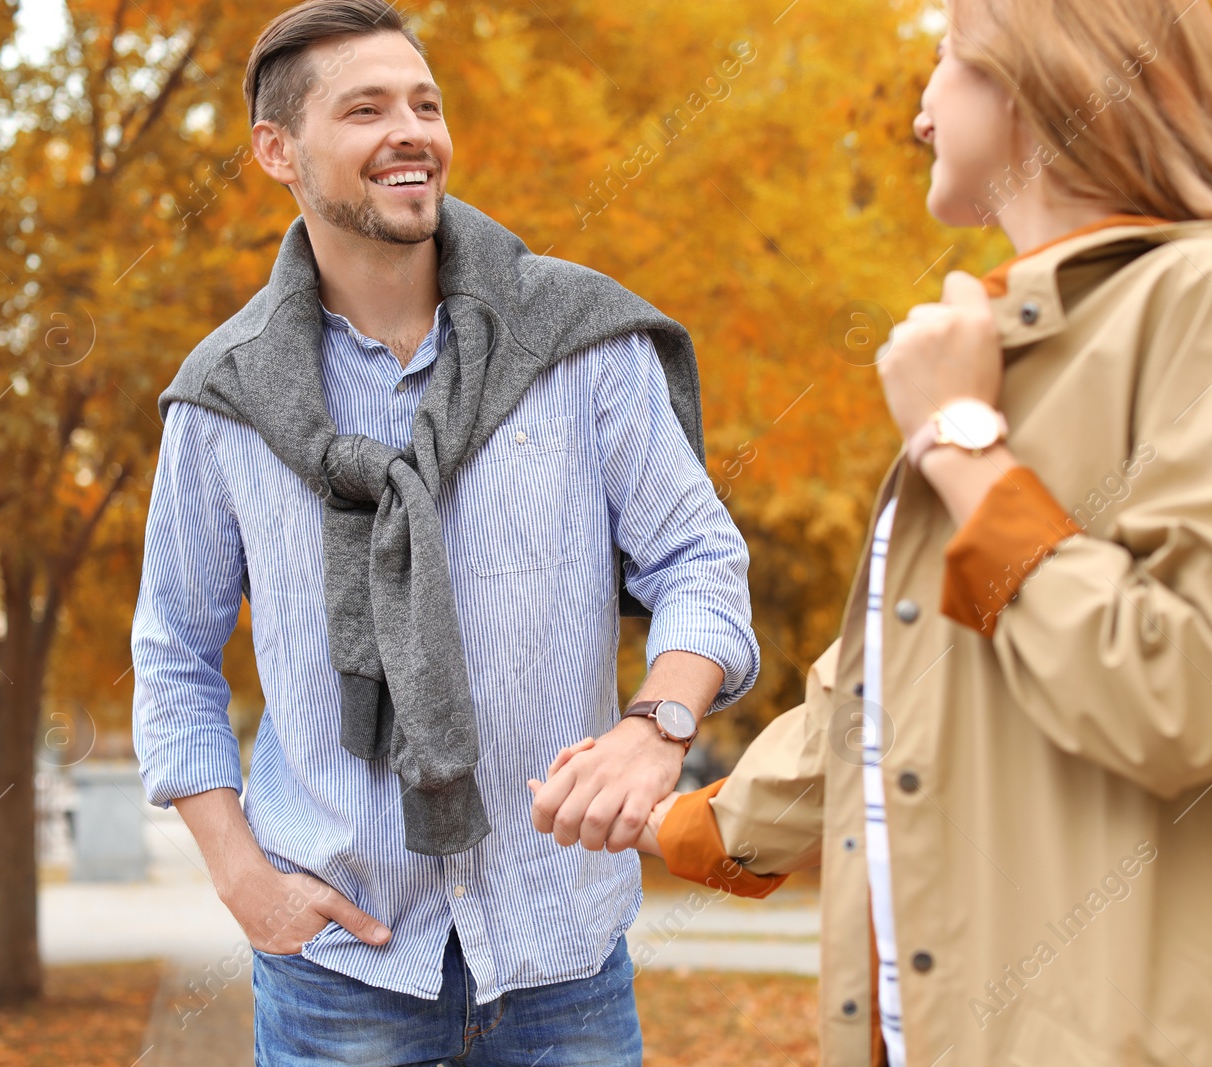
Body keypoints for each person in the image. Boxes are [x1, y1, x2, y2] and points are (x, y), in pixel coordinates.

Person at [533, 0, 1212, 1063]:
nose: (918, 113)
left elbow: (1184, 688)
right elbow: (897, 681)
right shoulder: (1003, 341)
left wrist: (961, 444)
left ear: (1036, 82)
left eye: (946, 63)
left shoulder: (1209, 303)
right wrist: (677, 814)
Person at [130, 2, 759, 1064]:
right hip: (341, 971)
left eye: (424, 103)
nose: (410, 130)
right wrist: (244, 880)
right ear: (276, 151)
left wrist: (658, 724)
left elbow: (699, 555)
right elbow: (172, 655)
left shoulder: (579, 344)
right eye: (365, 108)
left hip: (561, 958)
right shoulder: (223, 401)